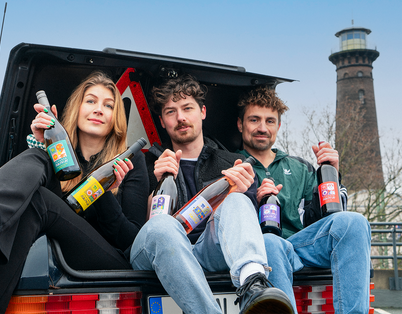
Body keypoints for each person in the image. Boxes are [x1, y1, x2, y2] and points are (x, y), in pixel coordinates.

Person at [0, 71, 149, 313]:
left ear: (117, 118)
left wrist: (104, 193)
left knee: (34, 204)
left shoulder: (130, 165)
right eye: (91, 101)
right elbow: (46, 210)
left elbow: (131, 242)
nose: (99, 109)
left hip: (107, 261)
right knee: (30, 195)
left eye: (108, 105)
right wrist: (45, 145)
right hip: (54, 250)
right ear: (76, 109)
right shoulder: (58, 151)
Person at [129, 75, 294, 314]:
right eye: (171, 112)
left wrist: (240, 194)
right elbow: (138, 227)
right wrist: (157, 185)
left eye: (187, 108)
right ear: (162, 121)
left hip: (209, 251)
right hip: (157, 254)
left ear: (203, 112)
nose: (181, 117)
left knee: (237, 199)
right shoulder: (144, 163)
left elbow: (247, 227)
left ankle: (253, 284)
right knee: (162, 226)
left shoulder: (232, 162)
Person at [236, 87, 371, 314]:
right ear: (240, 125)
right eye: (254, 120)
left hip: (302, 245)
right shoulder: (231, 164)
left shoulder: (300, 167)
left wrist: (334, 176)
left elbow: (327, 218)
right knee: (270, 242)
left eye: (270, 121)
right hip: (261, 249)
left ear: (278, 126)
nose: (262, 128)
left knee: (354, 222)